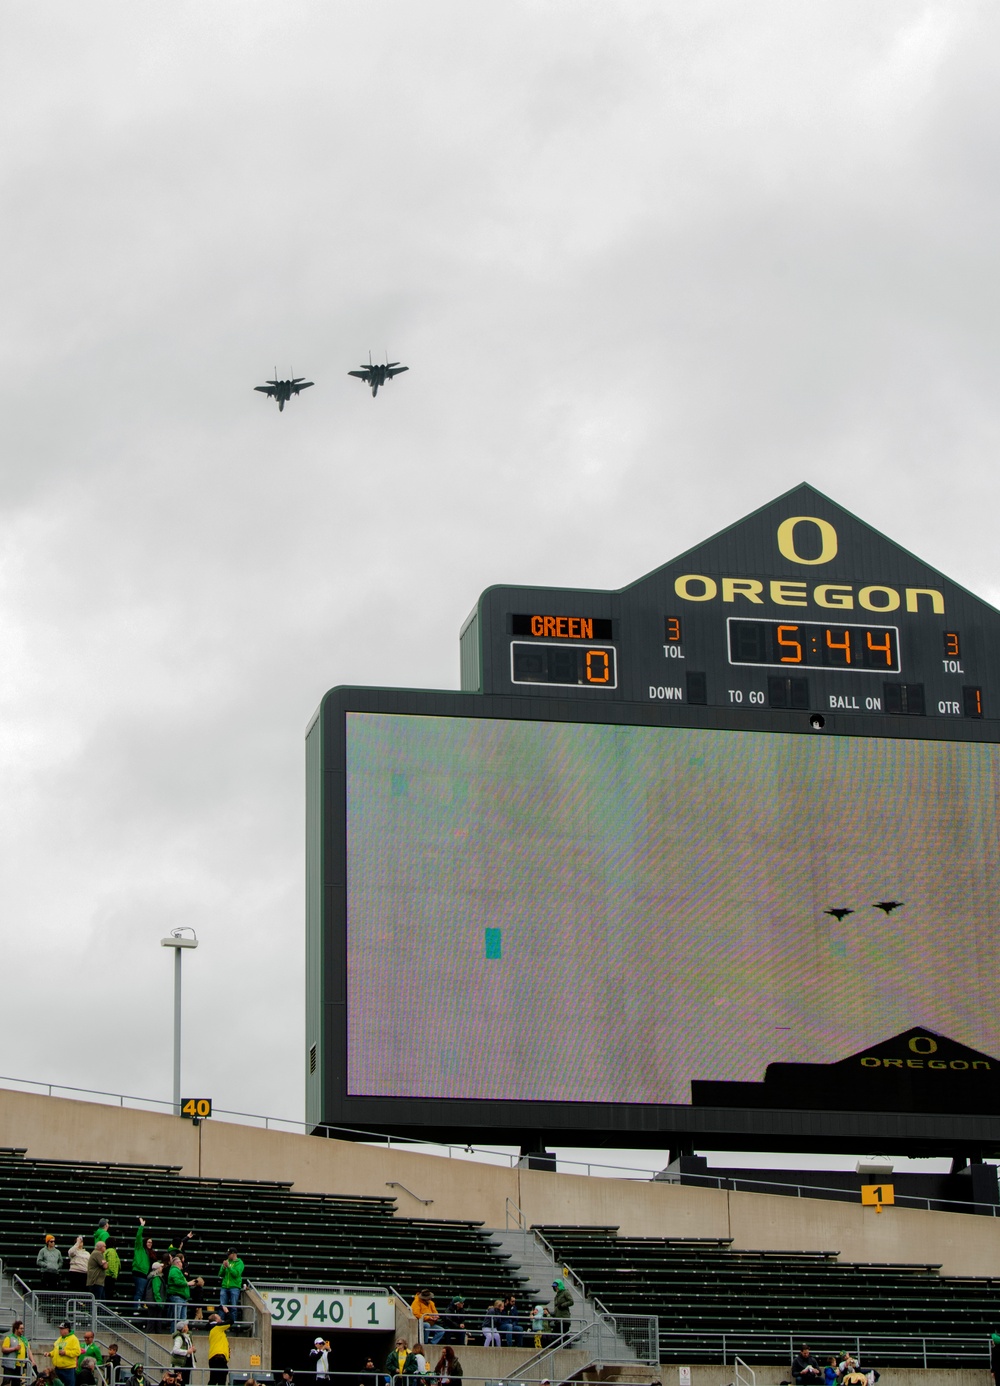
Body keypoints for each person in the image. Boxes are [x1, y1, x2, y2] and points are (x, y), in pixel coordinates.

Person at [166, 1256, 196, 1328]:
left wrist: (189, 1282)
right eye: (180, 1262)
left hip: (182, 1297)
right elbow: (177, 1281)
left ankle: (182, 1332)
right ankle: (175, 1332)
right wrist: (188, 1283)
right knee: (177, 1317)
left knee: (183, 1319)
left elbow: (181, 1281)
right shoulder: (174, 1270)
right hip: (177, 1296)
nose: (182, 1263)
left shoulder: (177, 1271)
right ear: (177, 1263)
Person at [132, 1221, 155, 1314]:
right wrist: (141, 1226)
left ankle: (139, 1306)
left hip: (144, 1274)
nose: (150, 1243)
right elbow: (138, 1237)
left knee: (141, 1291)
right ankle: (136, 1308)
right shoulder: (139, 1248)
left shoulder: (149, 1253)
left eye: (151, 1242)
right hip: (139, 1272)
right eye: (148, 1242)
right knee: (139, 1291)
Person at [2, 1321, 34, 1386]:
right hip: (10, 1365)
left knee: (17, 1383)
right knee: (6, 1382)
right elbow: (3, 1349)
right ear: (16, 1329)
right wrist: (14, 1349)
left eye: (23, 1328)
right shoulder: (9, 1338)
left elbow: (28, 1350)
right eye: (21, 1328)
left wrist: (33, 1361)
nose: (23, 1330)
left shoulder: (24, 1339)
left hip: (20, 1366)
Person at [218, 1249, 244, 1326]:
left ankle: (233, 1324)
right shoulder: (226, 1261)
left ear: (234, 1254)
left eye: (229, 1254)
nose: (228, 1256)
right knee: (222, 1306)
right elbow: (220, 1274)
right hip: (225, 1286)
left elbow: (236, 1274)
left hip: (234, 1287)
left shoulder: (240, 1263)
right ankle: (221, 1323)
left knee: (233, 1307)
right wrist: (223, 1267)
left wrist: (229, 1267)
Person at [206, 1313, 230, 1386]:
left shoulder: (216, 1331)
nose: (221, 1318)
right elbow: (230, 1321)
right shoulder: (217, 1328)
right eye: (219, 1317)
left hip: (215, 1358)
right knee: (220, 1380)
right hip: (218, 1357)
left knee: (214, 1379)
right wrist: (227, 1312)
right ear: (216, 1320)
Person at [145, 1262, 167, 1332]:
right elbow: (156, 1291)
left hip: (153, 1303)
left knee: (153, 1320)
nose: (162, 1268)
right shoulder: (156, 1278)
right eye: (160, 1267)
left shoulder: (154, 1278)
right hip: (155, 1303)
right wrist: (159, 1302)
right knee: (155, 1320)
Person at [104, 1237, 121, 1303]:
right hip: (109, 1275)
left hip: (107, 1275)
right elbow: (112, 1264)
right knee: (109, 1293)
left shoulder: (108, 1250)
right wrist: (114, 1275)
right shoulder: (111, 1251)